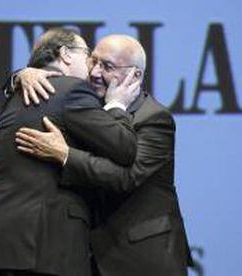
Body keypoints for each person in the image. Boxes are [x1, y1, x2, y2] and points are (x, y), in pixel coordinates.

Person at [14, 34, 193, 275]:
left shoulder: (154, 118)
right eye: (93, 61)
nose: (95, 72)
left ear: (135, 75)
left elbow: (126, 178)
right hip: (88, 257)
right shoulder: (86, 104)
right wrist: (23, 74)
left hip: (144, 257)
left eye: (107, 66)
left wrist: (65, 154)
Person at [0, 28, 139, 276]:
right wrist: (117, 105)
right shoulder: (71, 90)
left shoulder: (16, 95)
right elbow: (125, 147)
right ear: (66, 54)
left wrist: (19, 75)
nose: (93, 69)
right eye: (88, 56)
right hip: (39, 250)